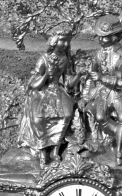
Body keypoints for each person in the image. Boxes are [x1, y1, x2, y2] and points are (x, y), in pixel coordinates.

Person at [81, 14, 122, 165]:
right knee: (100, 117)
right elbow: (90, 77)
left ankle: (119, 151)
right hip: (103, 92)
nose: (101, 40)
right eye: (99, 37)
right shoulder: (99, 54)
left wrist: (104, 78)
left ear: (115, 37)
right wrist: (85, 97)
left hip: (119, 93)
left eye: (105, 37)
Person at [17, 29, 79, 166]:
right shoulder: (43, 59)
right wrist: (46, 75)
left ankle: (55, 150)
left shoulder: (65, 59)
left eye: (68, 41)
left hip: (58, 91)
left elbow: (68, 83)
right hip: (42, 92)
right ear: (54, 41)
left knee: (66, 115)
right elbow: (33, 84)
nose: (66, 44)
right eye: (63, 41)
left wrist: (78, 76)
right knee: (39, 119)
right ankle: (42, 151)